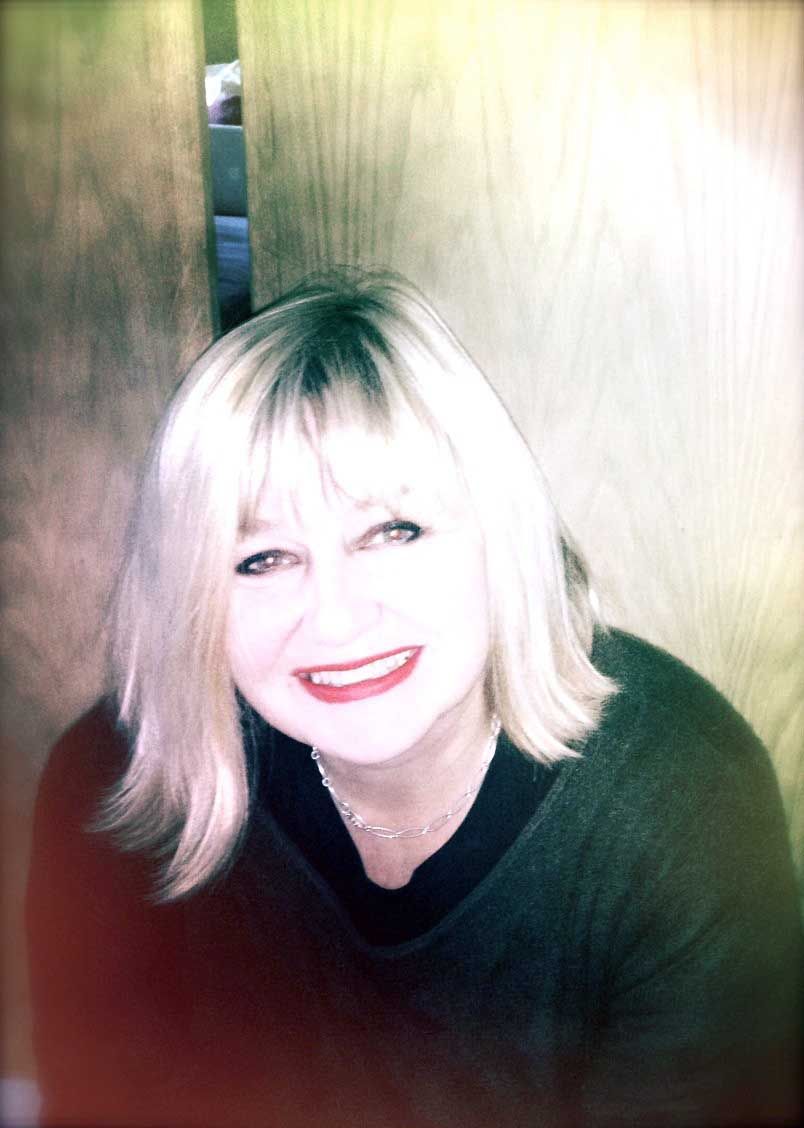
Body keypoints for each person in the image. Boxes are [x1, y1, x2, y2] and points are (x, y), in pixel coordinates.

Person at [27, 269, 801, 1128]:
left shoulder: (680, 799)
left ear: (501, 538)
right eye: (262, 559)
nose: (335, 617)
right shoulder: (118, 781)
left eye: (393, 531)